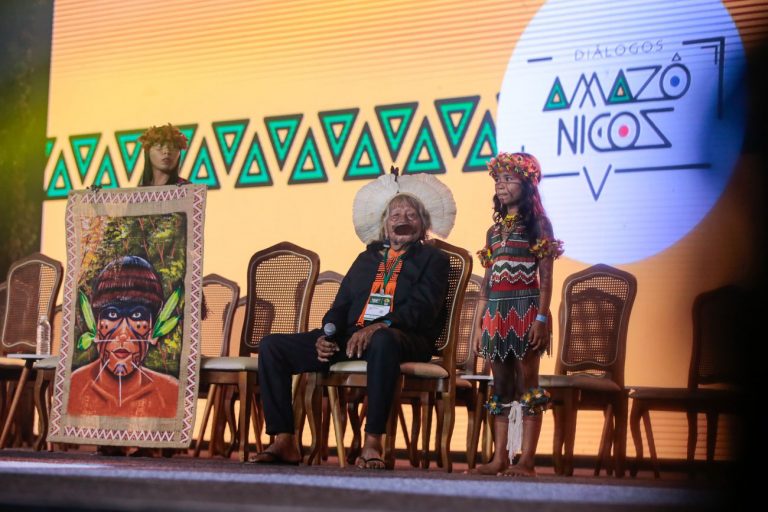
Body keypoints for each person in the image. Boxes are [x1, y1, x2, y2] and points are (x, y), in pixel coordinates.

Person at [250, 170, 456, 469]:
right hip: (353, 335)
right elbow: (341, 304)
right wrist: (328, 334)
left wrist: (378, 326)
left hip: (402, 337)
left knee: (383, 340)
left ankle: (373, 443)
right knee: (272, 347)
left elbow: (422, 309)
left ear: (423, 224)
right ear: (385, 224)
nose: (403, 218)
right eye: (396, 213)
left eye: (412, 214)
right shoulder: (366, 258)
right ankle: (285, 440)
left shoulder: (434, 260)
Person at [472, 152, 563, 477]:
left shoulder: (538, 224)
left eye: (509, 179)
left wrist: (541, 318)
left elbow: (547, 277)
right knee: (501, 387)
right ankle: (499, 457)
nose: (501, 185)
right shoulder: (493, 232)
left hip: (526, 311)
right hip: (497, 315)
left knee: (528, 385)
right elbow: (486, 283)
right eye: (498, 179)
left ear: (528, 184)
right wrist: (480, 324)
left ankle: (526, 460)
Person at [68, 256, 180, 418]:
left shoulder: (170, 393)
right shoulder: (75, 387)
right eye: (112, 314)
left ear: (152, 329)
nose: (123, 334)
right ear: (96, 324)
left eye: (137, 315)